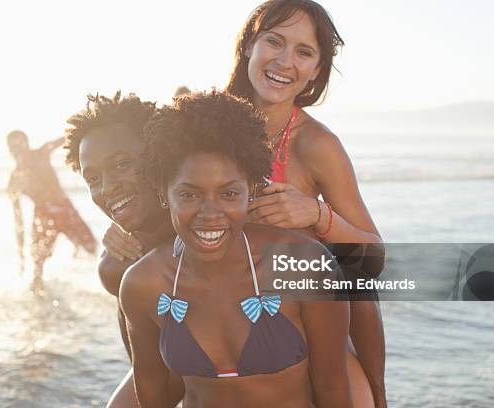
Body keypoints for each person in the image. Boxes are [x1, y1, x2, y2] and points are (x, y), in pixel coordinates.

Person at [120, 90, 351, 407]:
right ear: (163, 191)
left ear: (252, 188)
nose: (210, 214)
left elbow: (333, 387)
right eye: (189, 195)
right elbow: (152, 392)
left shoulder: (305, 264)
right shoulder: (143, 284)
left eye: (229, 194)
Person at [225, 1, 386, 405]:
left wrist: (316, 215)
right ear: (249, 46)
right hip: (213, 317)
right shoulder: (203, 123)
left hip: (302, 331)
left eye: (304, 52)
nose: (285, 61)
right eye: (274, 42)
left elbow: (373, 257)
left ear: (316, 70)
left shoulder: (317, 144)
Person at [64, 92, 177, 407]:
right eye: (93, 179)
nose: (107, 188)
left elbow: (323, 279)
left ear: (159, 155)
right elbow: (157, 383)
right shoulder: (120, 267)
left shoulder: (220, 219)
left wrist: (321, 218)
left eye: (122, 165)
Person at [7, 130, 96, 282]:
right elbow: (18, 221)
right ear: (9, 150)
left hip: (64, 207)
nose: (18, 149)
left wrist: (85, 128)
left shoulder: (42, 153)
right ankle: (38, 290)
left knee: (91, 245)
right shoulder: (15, 180)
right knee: (38, 260)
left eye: (21, 144)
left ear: (28, 144)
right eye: (13, 146)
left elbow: (67, 137)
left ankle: (94, 278)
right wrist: (21, 254)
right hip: (43, 215)